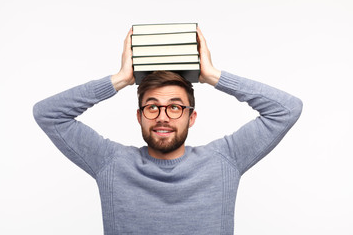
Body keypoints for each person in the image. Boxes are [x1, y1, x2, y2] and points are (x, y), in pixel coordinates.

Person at [33, 27, 303, 235]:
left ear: (191, 117)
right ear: (139, 117)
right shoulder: (111, 162)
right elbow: (48, 113)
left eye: (175, 108)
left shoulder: (224, 160)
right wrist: (121, 79)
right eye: (152, 108)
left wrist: (212, 75)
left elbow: (287, 109)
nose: (163, 118)